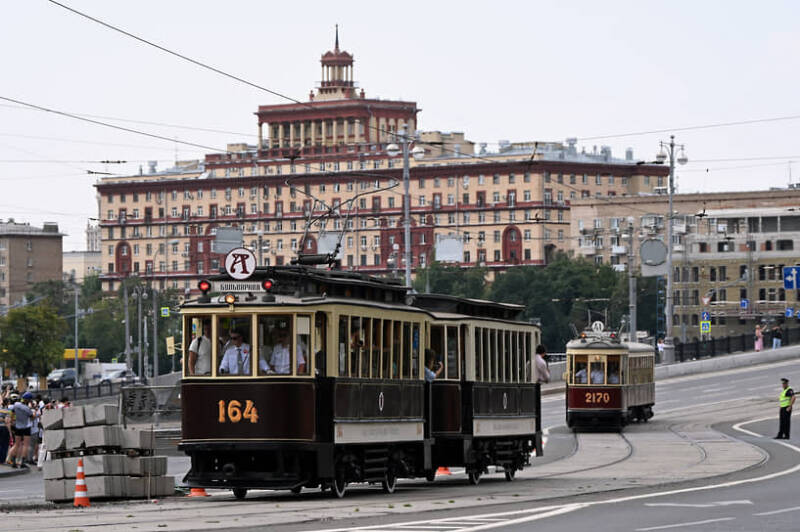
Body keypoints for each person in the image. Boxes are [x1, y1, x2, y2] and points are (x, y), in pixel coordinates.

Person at [8, 392, 35, 468]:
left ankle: (13, 461)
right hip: (26, 427)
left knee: (16, 444)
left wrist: (12, 420)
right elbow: (32, 418)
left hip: (18, 426)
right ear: (28, 400)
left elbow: (12, 413)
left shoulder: (16, 405)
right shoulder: (27, 409)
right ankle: (22, 462)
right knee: (25, 445)